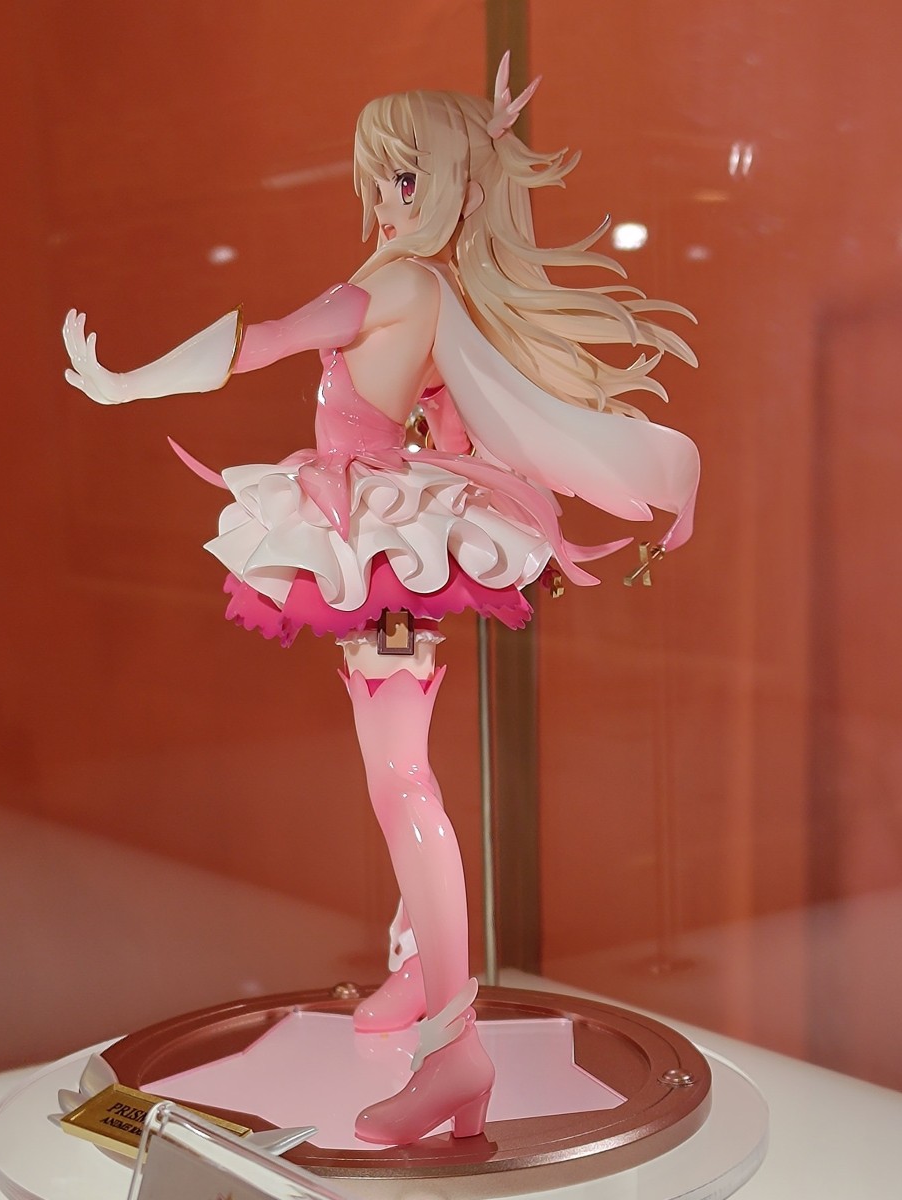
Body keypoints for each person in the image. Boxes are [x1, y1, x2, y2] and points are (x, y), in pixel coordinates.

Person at [63, 53, 700, 1147]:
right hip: (387, 538)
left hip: (382, 552)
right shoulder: (429, 290)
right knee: (399, 772)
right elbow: (447, 422)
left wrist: (126, 381)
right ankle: (419, 975)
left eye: (406, 177)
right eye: (379, 177)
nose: (385, 197)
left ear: (451, 184)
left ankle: (455, 1048)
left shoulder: (401, 286)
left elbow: (257, 343)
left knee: (401, 779)